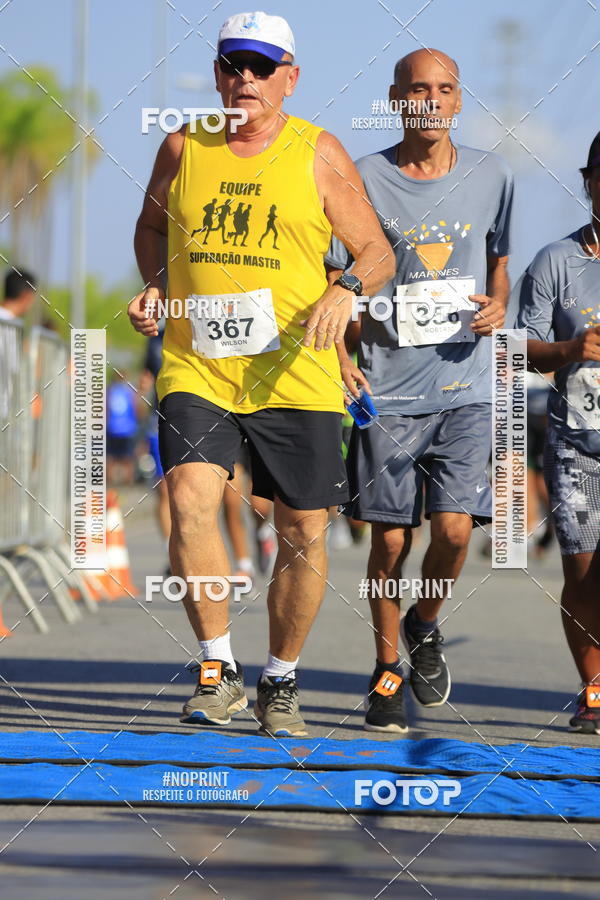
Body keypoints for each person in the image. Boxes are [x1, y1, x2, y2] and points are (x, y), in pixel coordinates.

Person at [128, 11, 394, 737]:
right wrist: (157, 286)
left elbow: (375, 249)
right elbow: (151, 228)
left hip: (294, 370)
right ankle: (217, 669)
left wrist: (347, 291)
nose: (244, 78)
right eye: (231, 65)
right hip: (198, 363)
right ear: (217, 73)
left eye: (261, 66)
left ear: (290, 77)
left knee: (303, 528)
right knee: (189, 498)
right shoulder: (184, 146)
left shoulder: (319, 152)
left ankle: (280, 679)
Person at [328, 49, 513, 733]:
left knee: (457, 531)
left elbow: (499, 258)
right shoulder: (364, 178)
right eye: (417, 90)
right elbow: (341, 280)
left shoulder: (494, 173)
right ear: (397, 98)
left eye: (444, 89)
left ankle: (424, 621)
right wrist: (345, 358)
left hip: (466, 381)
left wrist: (498, 305)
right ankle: (385, 672)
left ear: (459, 100)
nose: (431, 100)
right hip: (390, 391)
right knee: (387, 546)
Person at [517, 130, 600, 735]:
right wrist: (569, 347)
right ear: (588, 181)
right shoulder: (555, 260)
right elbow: (515, 349)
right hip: (578, 443)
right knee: (582, 571)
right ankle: (594, 689)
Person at [106, 371, 138, 486]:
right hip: (127, 429)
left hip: (112, 428)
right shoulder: (129, 391)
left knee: (111, 457)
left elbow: (105, 409)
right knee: (127, 458)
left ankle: (108, 483)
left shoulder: (110, 391)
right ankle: (128, 483)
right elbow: (136, 408)